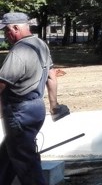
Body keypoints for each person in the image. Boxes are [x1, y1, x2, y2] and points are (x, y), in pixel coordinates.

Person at [0, 12, 66, 185]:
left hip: (19, 112)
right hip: (36, 109)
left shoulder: (19, 51)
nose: (6, 35)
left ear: (16, 28)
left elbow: (1, 83)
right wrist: (54, 105)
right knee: (8, 154)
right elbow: (51, 76)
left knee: (25, 161)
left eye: (6, 31)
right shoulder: (41, 44)